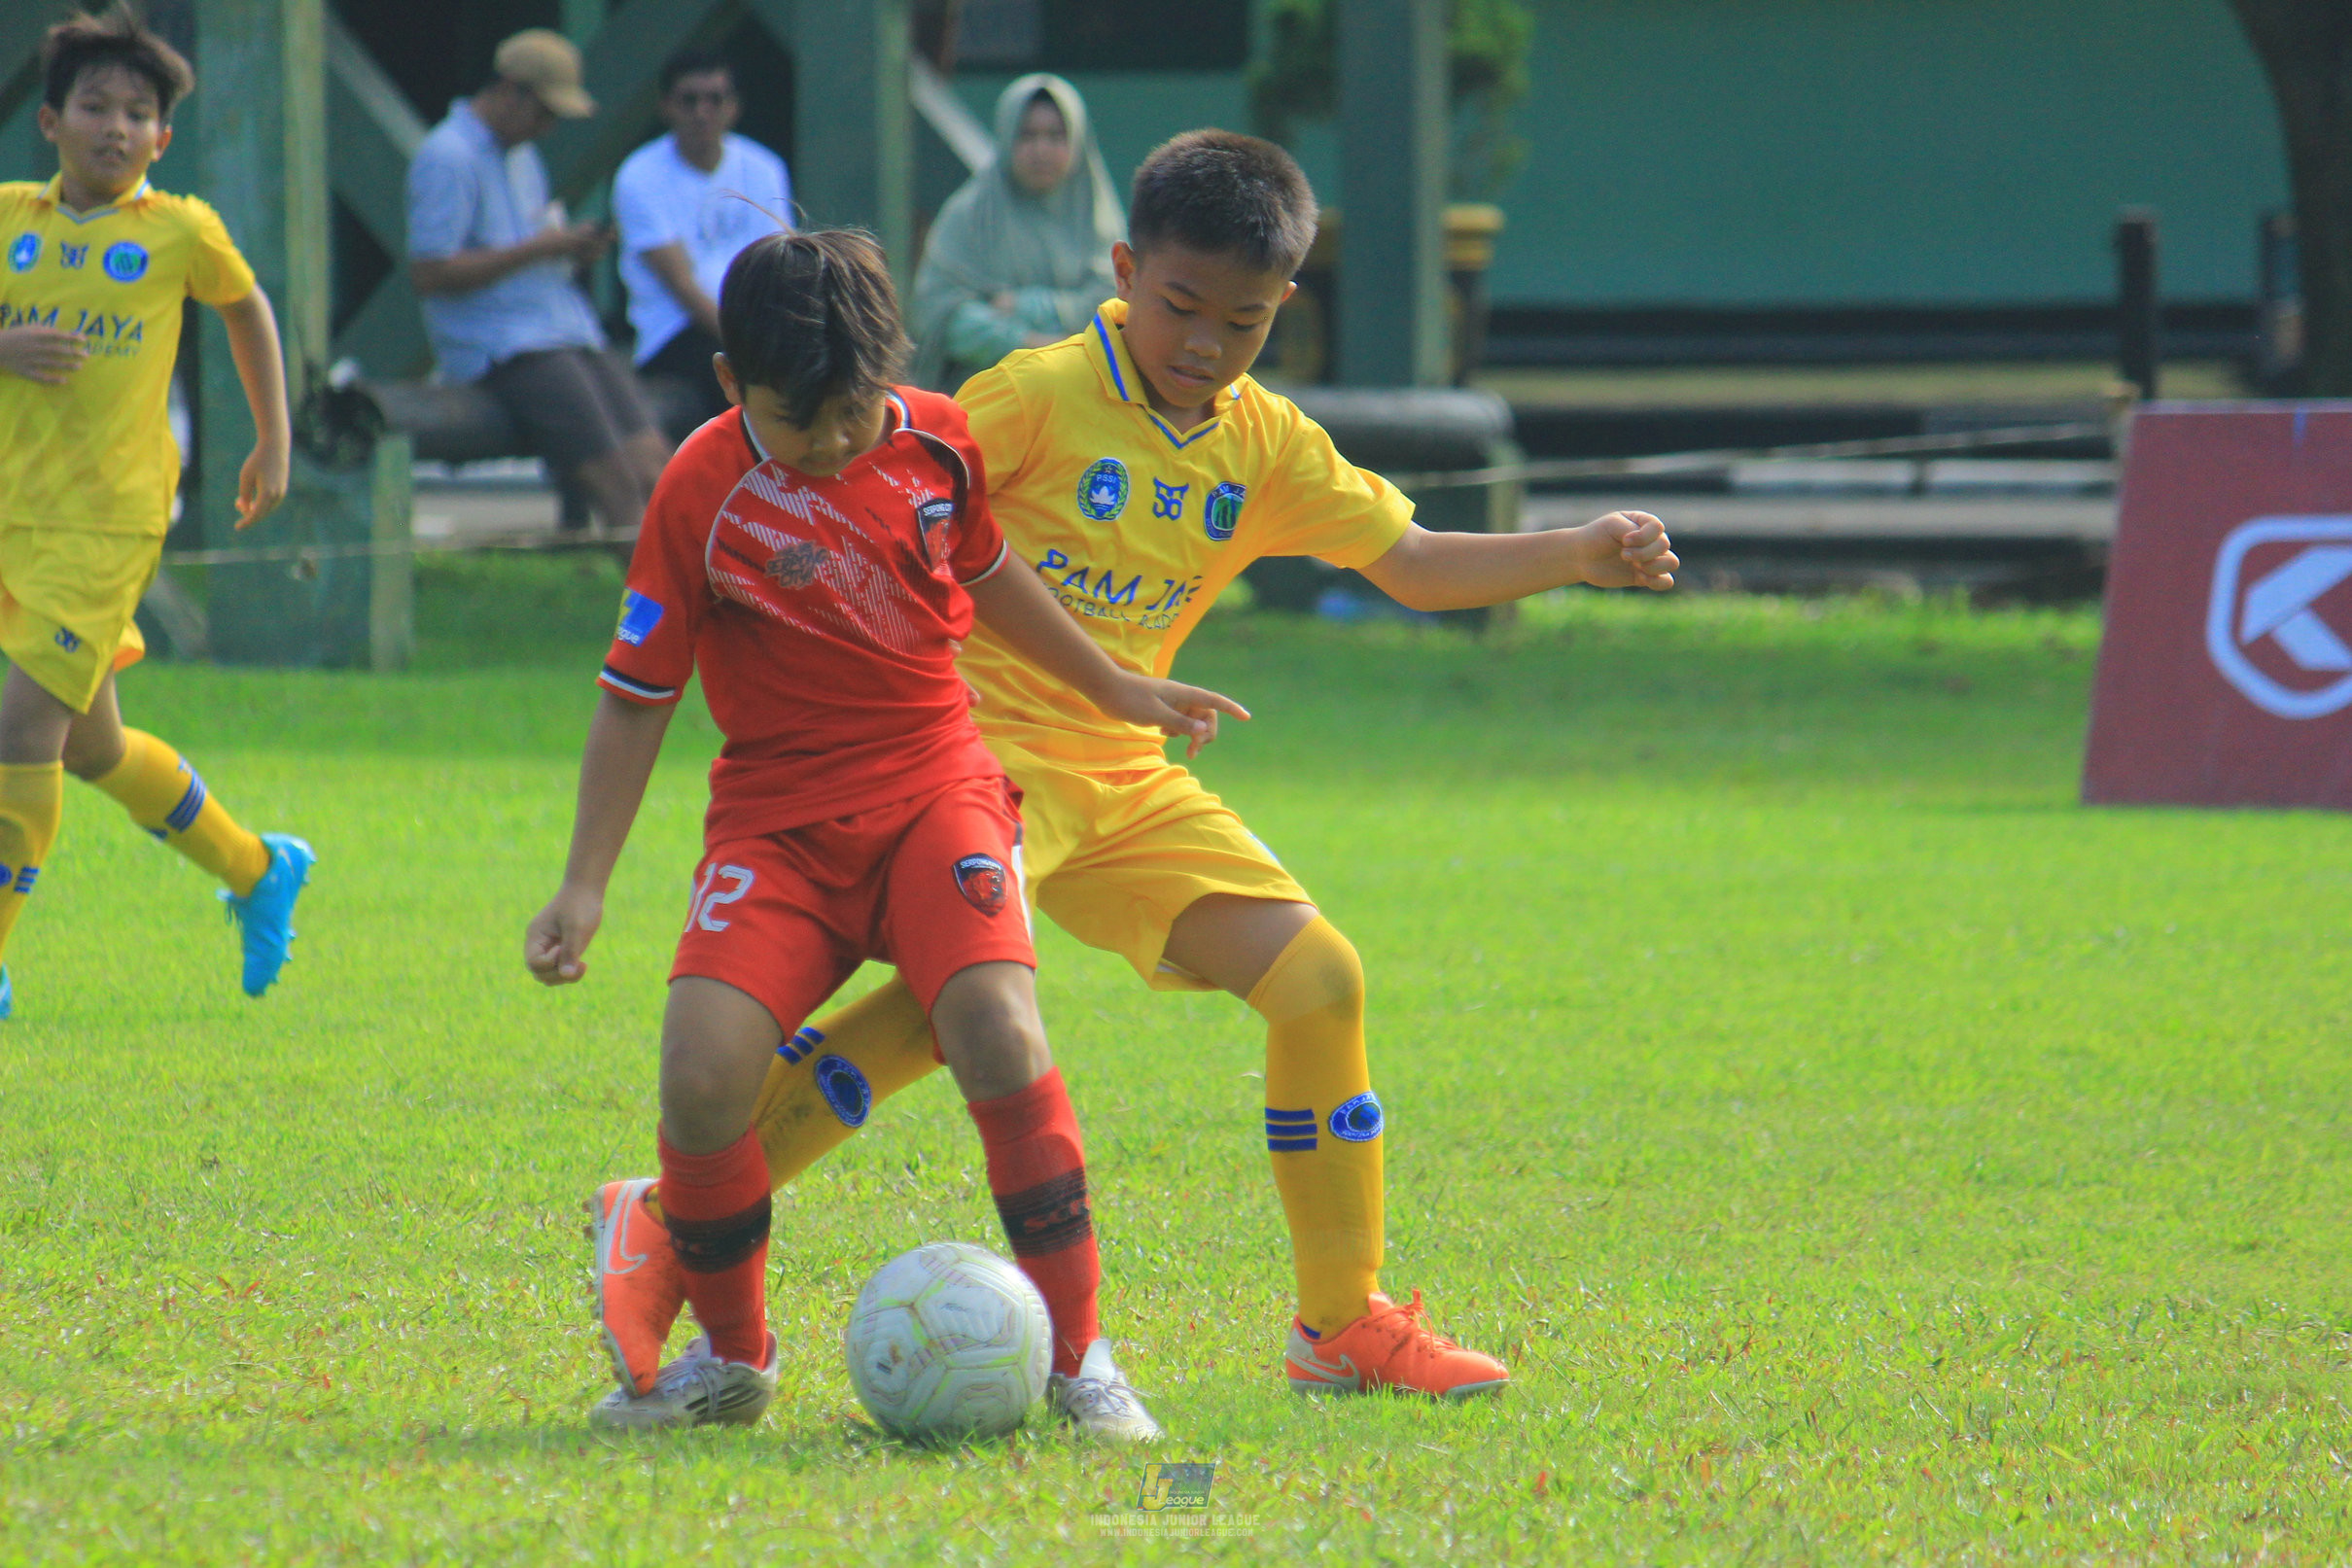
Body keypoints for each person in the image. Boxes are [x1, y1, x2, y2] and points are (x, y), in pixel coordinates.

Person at [591, 130, 1677, 1406]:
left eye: (1246, 319)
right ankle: (679, 1216)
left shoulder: (1262, 444)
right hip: (971, 747)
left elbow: (1416, 562)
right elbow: (866, 474)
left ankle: (1340, 1323)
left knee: (1318, 980)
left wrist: (1577, 551)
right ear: (1121, 269)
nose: (1205, 342)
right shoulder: (1032, 396)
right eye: (1178, 306)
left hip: (1121, 766)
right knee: (956, 1017)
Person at [525, 229, 1247, 1437]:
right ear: (727, 385)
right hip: (778, 827)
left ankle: (1080, 1359)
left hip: (935, 792)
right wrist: (583, 884)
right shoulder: (698, 491)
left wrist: (1116, 683)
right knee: (701, 1079)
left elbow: (992, 568)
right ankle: (735, 1359)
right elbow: (634, 695)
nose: (837, 441)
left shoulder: (933, 436)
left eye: (856, 412)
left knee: (999, 1035)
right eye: (802, 423)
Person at [0, 6, 314, 1018]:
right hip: (14, 513)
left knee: (18, 727)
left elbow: (246, 307)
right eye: (96, 105)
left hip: (110, 520)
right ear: (50, 121)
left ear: (162, 140)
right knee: (91, 746)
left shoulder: (180, 228)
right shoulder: (9, 217)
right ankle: (258, 866)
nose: (117, 127)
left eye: (139, 114)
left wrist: (273, 436)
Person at [405, 29, 671, 535]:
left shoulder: (522, 154)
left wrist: (570, 250)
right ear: (509, 91)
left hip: (564, 330)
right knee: (619, 491)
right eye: (544, 113)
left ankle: (700, 609)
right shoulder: (447, 156)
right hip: (503, 347)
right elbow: (429, 273)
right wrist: (541, 248)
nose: (548, 127)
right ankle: (655, 616)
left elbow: (524, 247)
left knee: (658, 468)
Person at [613, 49, 790, 432]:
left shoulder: (764, 168)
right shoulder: (639, 176)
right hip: (674, 335)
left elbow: (779, 266)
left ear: (734, 107)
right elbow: (682, 286)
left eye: (715, 99)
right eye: (689, 100)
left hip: (751, 329)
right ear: (666, 107)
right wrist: (754, 345)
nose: (702, 112)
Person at [907, 74, 1119, 392]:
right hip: (985, 404)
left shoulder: (1099, 218)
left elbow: (1116, 303)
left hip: (1082, 402)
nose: (1041, 149)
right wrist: (1026, 343)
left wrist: (1025, 306)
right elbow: (940, 311)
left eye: (1056, 136)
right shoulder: (969, 215)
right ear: (1006, 138)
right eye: (1027, 136)